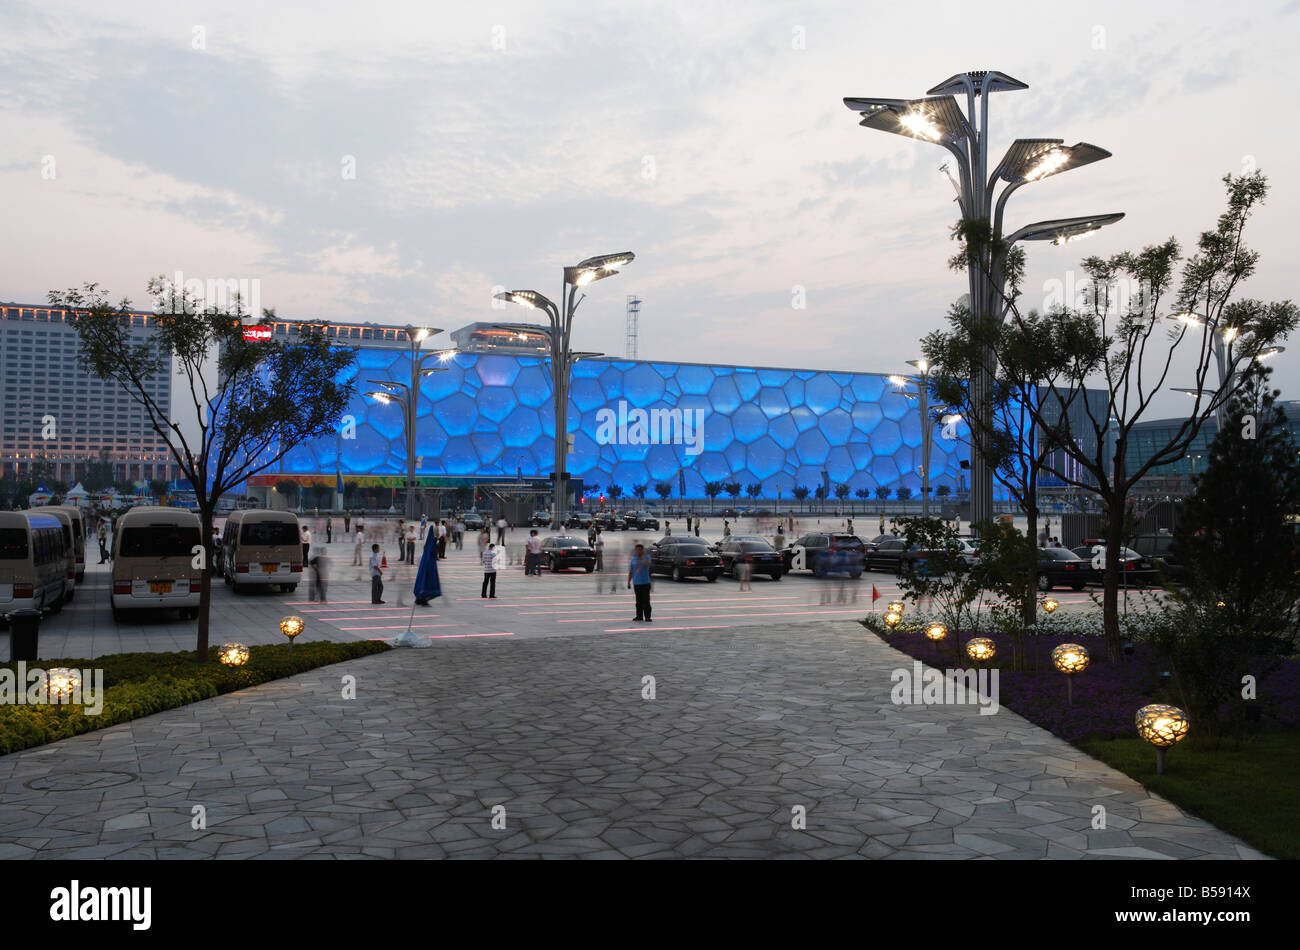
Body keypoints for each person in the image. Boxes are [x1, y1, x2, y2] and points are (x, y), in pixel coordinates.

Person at [627, 543, 653, 622]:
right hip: (636, 583)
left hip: (645, 583)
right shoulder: (633, 559)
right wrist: (628, 582)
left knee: (646, 601)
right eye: (637, 550)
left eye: (639, 550)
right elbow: (631, 572)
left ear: (642, 550)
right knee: (638, 602)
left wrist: (642, 557)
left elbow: (647, 564)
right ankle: (639, 616)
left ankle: (647, 617)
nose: (638, 551)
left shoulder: (647, 557)